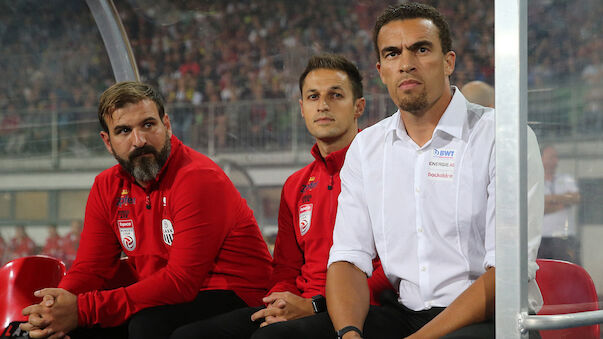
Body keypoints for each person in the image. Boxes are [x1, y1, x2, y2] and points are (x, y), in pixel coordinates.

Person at [325, 3, 543, 339]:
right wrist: (349, 334)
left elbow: (508, 273)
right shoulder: (366, 148)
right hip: (404, 313)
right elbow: (348, 260)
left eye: (421, 49)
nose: (407, 64)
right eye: (393, 54)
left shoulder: (503, 137)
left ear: (448, 62)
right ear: (382, 71)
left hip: (488, 319)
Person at [20, 82, 273, 339]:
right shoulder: (106, 186)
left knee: (145, 327)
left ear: (167, 124)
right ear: (107, 142)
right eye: (124, 131)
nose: (139, 140)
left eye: (148, 125)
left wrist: (83, 309)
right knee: (68, 331)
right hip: (172, 297)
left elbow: (181, 281)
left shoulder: (198, 178)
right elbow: (90, 269)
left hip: (240, 296)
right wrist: (55, 307)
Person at [170, 54, 392, 339]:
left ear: (358, 106)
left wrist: (316, 305)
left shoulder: (384, 170)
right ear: (302, 108)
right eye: (313, 97)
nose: (323, 105)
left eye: (335, 95)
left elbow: (391, 269)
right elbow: (285, 268)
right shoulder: (295, 185)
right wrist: (277, 303)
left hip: (360, 309)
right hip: (301, 305)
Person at [538, 145, 581, 263]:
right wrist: (562, 202)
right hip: (541, 239)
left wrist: (547, 200)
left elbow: (575, 197)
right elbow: (535, 207)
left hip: (565, 237)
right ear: (541, 158)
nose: (556, 161)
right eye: (552, 157)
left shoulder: (566, 179)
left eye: (556, 157)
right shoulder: (534, 181)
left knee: (569, 274)